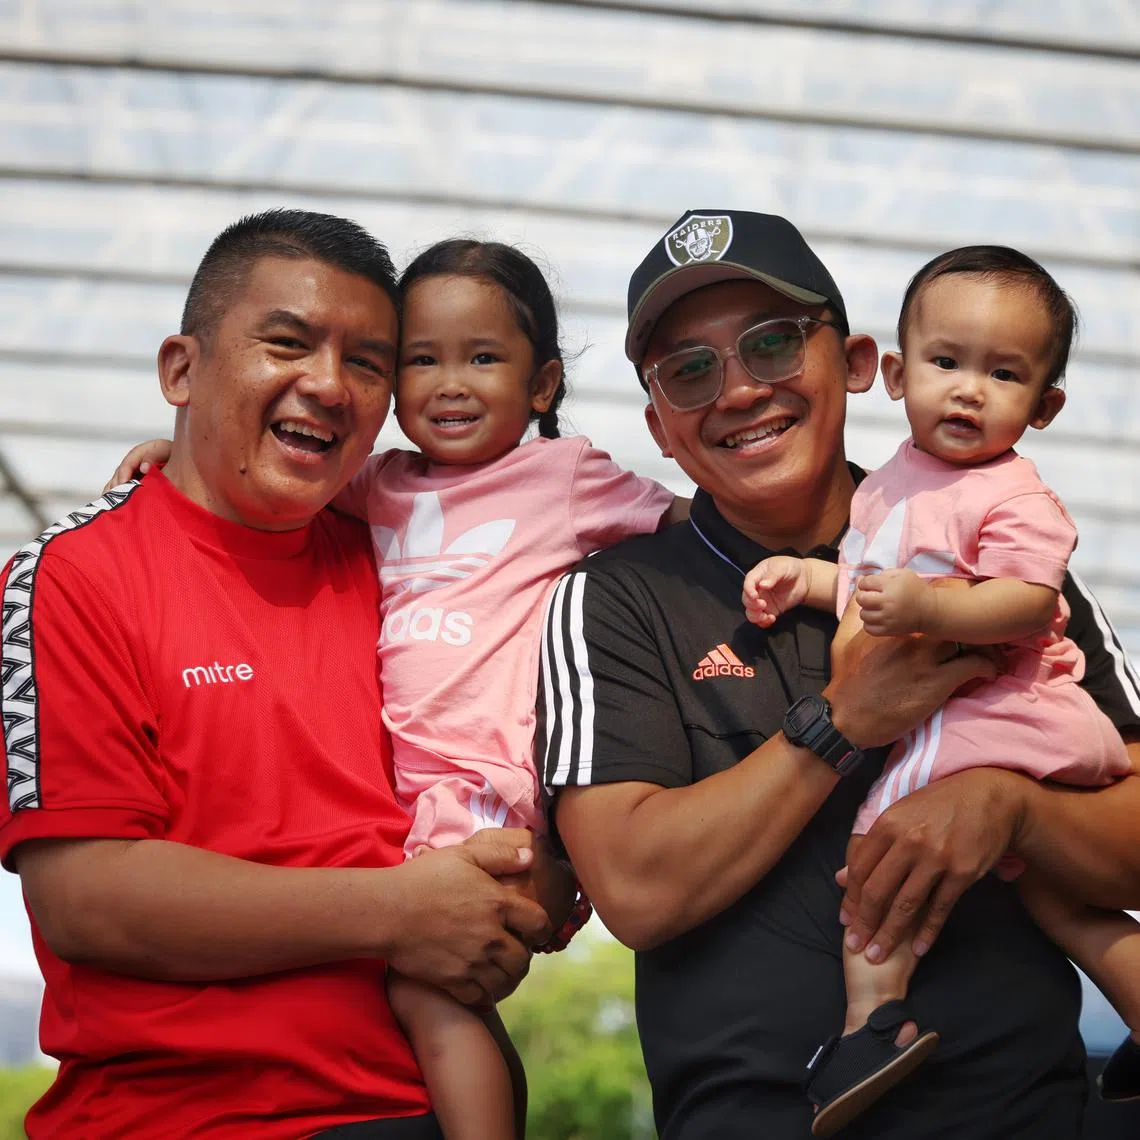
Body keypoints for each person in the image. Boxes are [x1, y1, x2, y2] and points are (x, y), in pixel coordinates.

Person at [539, 209, 1140, 1139]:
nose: (741, 390)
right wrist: (840, 720)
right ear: (660, 425)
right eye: (690, 370)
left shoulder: (1001, 560)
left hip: (1027, 1114)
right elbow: (637, 892)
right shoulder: (612, 597)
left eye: (772, 343)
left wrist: (1011, 808)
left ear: (858, 364)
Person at [0, 209, 559, 1140]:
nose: (330, 385)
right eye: (287, 344)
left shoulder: (403, 553)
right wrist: (399, 912)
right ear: (181, 371)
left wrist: (537, 873)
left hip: (421, 1102)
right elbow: (85, 901)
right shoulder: (71, 575)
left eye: (370, 362)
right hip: (180, 1119)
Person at [108, 237, 682, 1140]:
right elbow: (236, 472)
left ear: (541, 384)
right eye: (420, 361)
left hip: (485, 777)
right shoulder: (378, 483)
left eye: (482, 358)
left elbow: (692, 525)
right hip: (411, 792)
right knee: (443, 987)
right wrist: (169, 449)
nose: (450, 385)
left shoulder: (564, 477)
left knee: (427, 989)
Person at [742, 245, 1140, 1134]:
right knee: (1064, 902)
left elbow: (1028, 599)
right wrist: (806, 581)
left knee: (881, 849)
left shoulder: (1014, 494)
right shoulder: (892, 483)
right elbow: (868, 583)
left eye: (1003, 374)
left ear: (1045, 407)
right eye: (946, 362)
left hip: (1005, 713)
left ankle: (871, 1024)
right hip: (982, 717)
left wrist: (930, 605)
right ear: (896, 375)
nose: (967, 391)